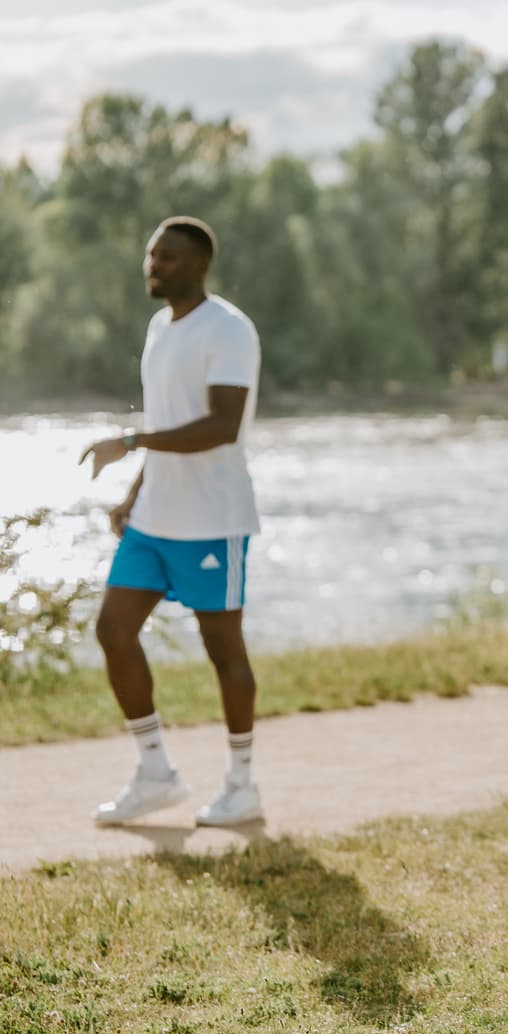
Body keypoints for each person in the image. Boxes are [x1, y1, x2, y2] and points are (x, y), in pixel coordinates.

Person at [79, 216, 264, 829]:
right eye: (151, 254)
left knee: (223, 651)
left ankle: (241, 786)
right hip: (155, 520)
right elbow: (170, 416)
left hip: (213, 521)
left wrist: (130, 442)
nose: (152, 265)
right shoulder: (160, 327)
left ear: (200, 264)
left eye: (168, 257)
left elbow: (220, 426)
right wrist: (136, 491)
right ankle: (156, 772)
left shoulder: (229, 330)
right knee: (113, 630)